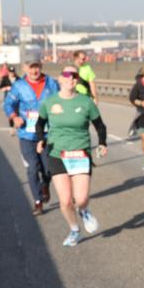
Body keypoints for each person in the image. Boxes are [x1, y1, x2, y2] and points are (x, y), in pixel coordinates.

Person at [35, 67, 108, 246]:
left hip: (80, 153)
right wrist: (41, 139)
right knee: (65, 200)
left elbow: (100, 125)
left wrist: (102, 143)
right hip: (57, 154)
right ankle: (75, 230)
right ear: (60, 79)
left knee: (81, 199)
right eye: (67, 75)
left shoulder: (86, 102)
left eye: (75, 76)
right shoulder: (49, 102)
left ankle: (83, 210)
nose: (71, 78)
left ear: (77, 80)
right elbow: (40, 123)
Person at [3, 61, 60, 215]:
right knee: (33, 167)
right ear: (25, 68)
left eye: (36, 67)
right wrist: (14, 117)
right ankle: (38, 201)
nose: (34, 71)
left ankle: (45, 185)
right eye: (30, 67)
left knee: (48, 168)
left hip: (47, 134)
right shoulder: (19, 86)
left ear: (41, 67)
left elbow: (61, 100)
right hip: (27, 134)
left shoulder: (51, 83)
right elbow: (8, 104)